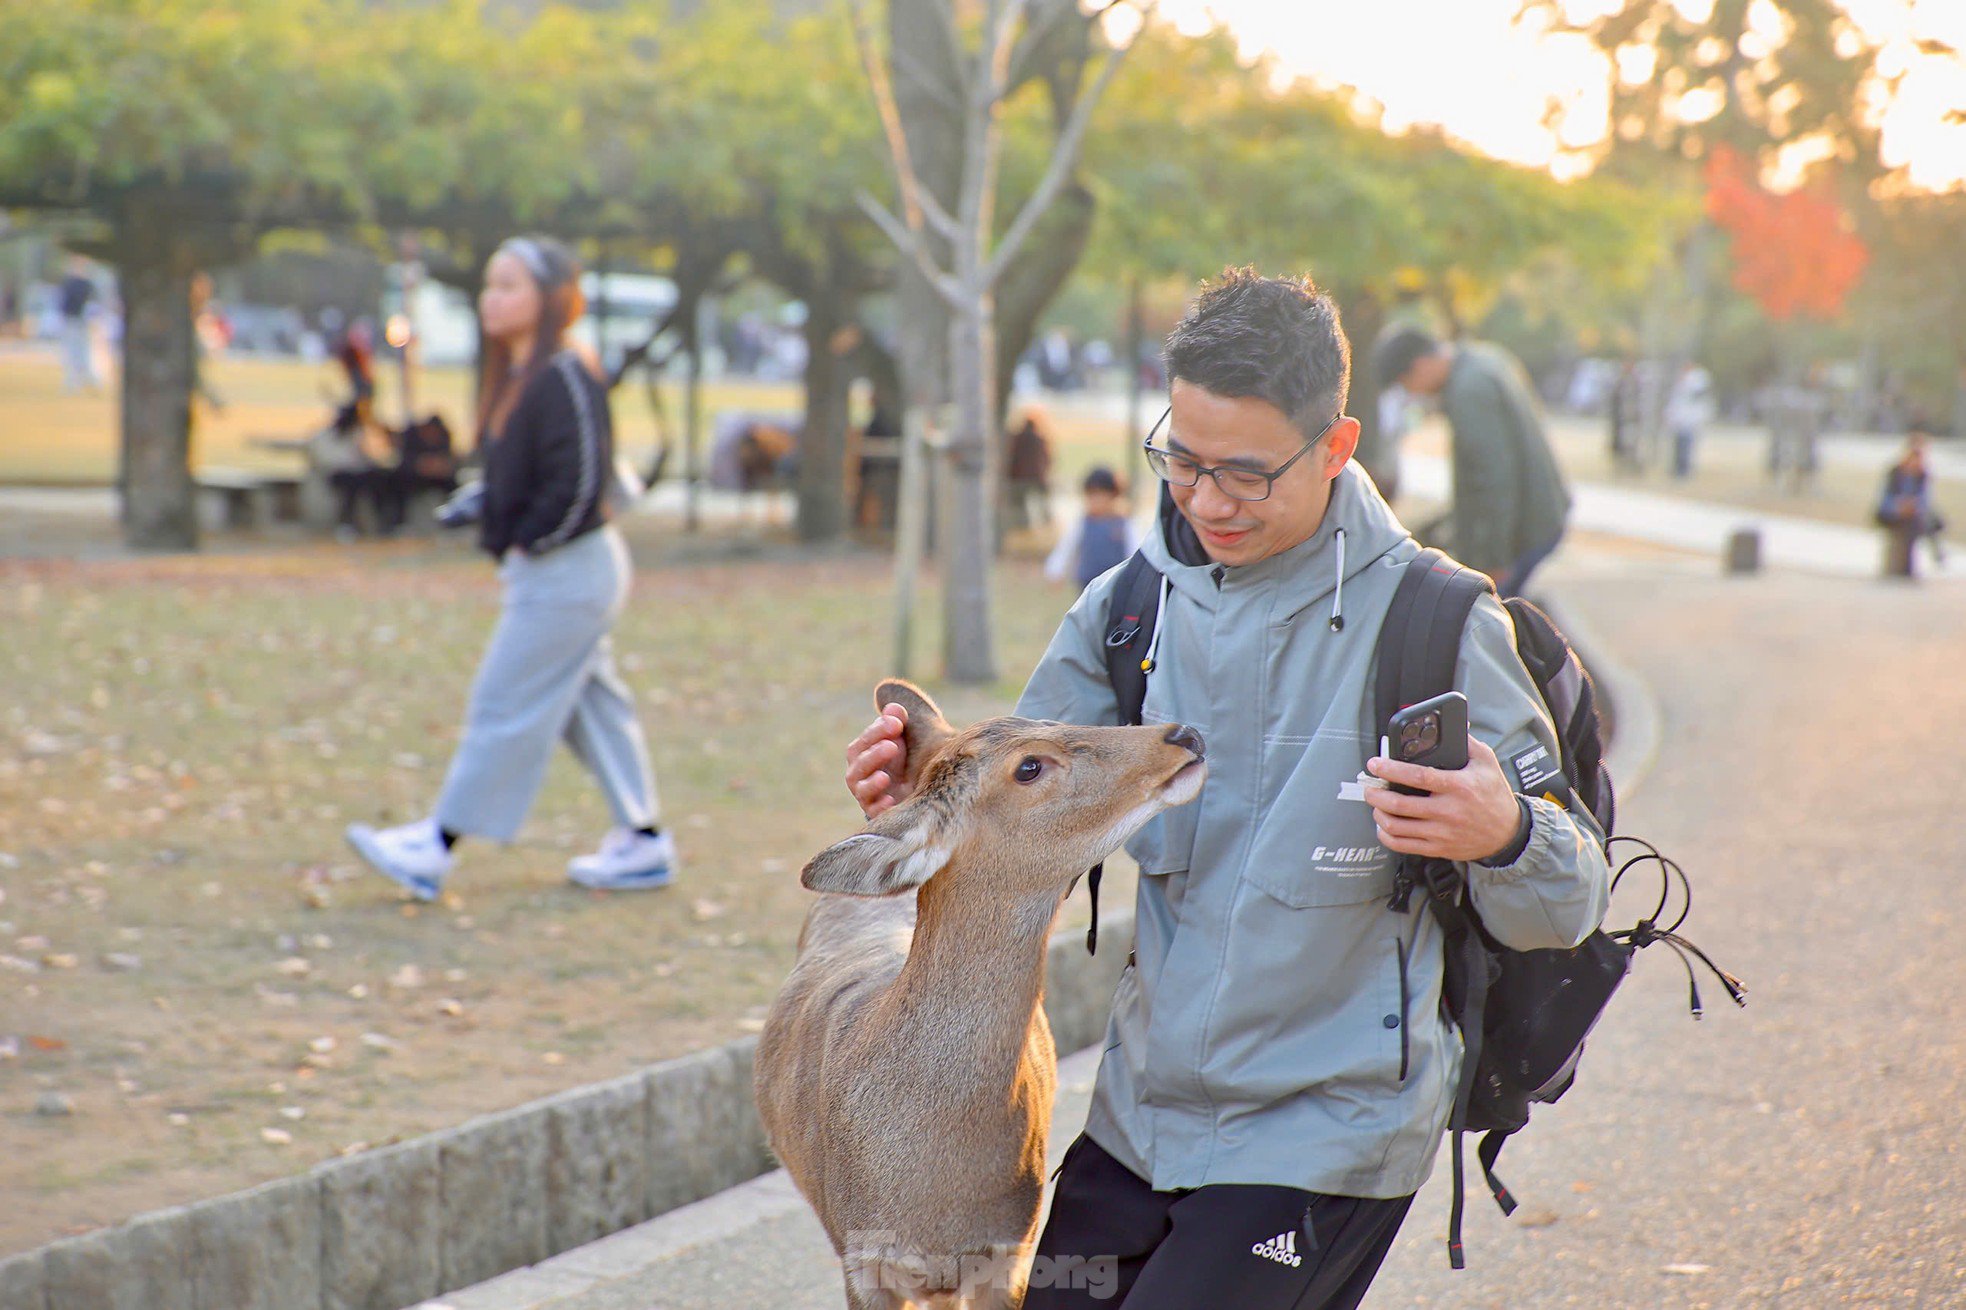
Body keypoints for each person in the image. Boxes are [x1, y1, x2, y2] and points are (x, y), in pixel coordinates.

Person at [844, 270, 1610, 1310]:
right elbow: (1012, 805)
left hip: (1321, 1136)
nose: (1204, 500)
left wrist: (1507, 832)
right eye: (1183, 459)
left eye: (1244, 474)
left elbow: (1568, 902)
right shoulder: (1128, 608)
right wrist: (918, 776)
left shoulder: (1439, 628)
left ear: (1337, 447)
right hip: (1139, 1120)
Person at [344, 235, 675, 899]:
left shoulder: (564, 372)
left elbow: (582, 485)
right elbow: (533, 471)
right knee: (592, 706)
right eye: (490, 285)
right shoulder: (528, 373)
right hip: (558, 571)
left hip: (569, 572)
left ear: (552, 298)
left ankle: (436, 845)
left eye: (509, 286)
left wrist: (529, 538)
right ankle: (642, 841)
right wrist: (485, 504)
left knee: (505, 704)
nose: (492, 299)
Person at [1374, 326, 1571, 598]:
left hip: (1523, 532)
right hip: (1539, 517)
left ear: (1419, 366)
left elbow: (1494, 479)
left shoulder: (1469, 390)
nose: (1413, 395)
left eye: (1406, 385)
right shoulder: (1483, 358)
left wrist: (1494, 559)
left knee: (1494, 622)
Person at [1044, 466, 1145, 591]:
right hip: (1087, 584)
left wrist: (1136, 576)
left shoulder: (1123, 524)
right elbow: (1067, 547)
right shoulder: (1083, 523)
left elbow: (1133, 549)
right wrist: (1056, 570)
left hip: (1115, 584)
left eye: (1100, 495)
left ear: (1113, 496)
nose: (1094, 501)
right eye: (1091, 495)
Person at [1877, 430, 1947, 579]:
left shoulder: (1923, 476)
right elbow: (1884, 500)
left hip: (1914, 515)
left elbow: (1925, 501)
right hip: (1893, 512)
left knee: (1920, 519)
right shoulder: (1895, 473)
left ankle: (1909, 566)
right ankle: (1903, 566)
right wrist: (1899, 506)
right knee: (1909, 520)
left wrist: (1912, 506)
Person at [1006, 408, 1056, 531]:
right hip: (1037, 476)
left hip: (1020, 477)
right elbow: (1048, 458)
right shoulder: (1040, 439)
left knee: (1020, 506)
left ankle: (1024, 528)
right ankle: (1048, 526)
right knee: (1043, 505)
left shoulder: (1017, 439)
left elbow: (1011, 458)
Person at [1665, 359, 1715, 480]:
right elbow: (1674, 402)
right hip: (1679, 420)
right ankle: (1677, 469)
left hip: (1690, 420)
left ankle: (1684, 470)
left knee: (1687, 446)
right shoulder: (1680, 383)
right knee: (1678, 446)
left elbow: (1699, 394)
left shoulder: (1697, 379)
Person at [57, 256, 99, 393]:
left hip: (78, 320)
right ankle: (76, 379)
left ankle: (81, 378)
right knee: (75, 350)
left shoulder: (80, 283)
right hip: (72, 320)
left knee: (79, 351)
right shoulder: (77, 283)